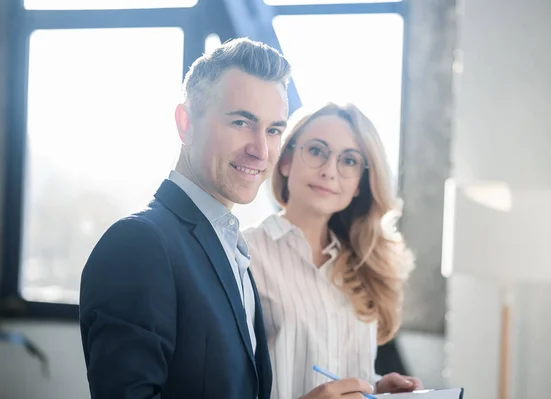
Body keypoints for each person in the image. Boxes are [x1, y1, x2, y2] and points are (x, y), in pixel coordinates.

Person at [79, 38, 375, 399]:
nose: (260, 149)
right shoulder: (138, 244)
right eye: (241, 122)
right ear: (185, 124)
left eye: (273, 130)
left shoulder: (231, 248)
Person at [244, 102, 422, 399]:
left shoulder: (363, 264)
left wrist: (376, 390)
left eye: (349, 161)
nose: (330, 171)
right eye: (316, 151)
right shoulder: (244, 254)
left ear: (359, 185)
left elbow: (338, 368)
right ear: (286, 161)